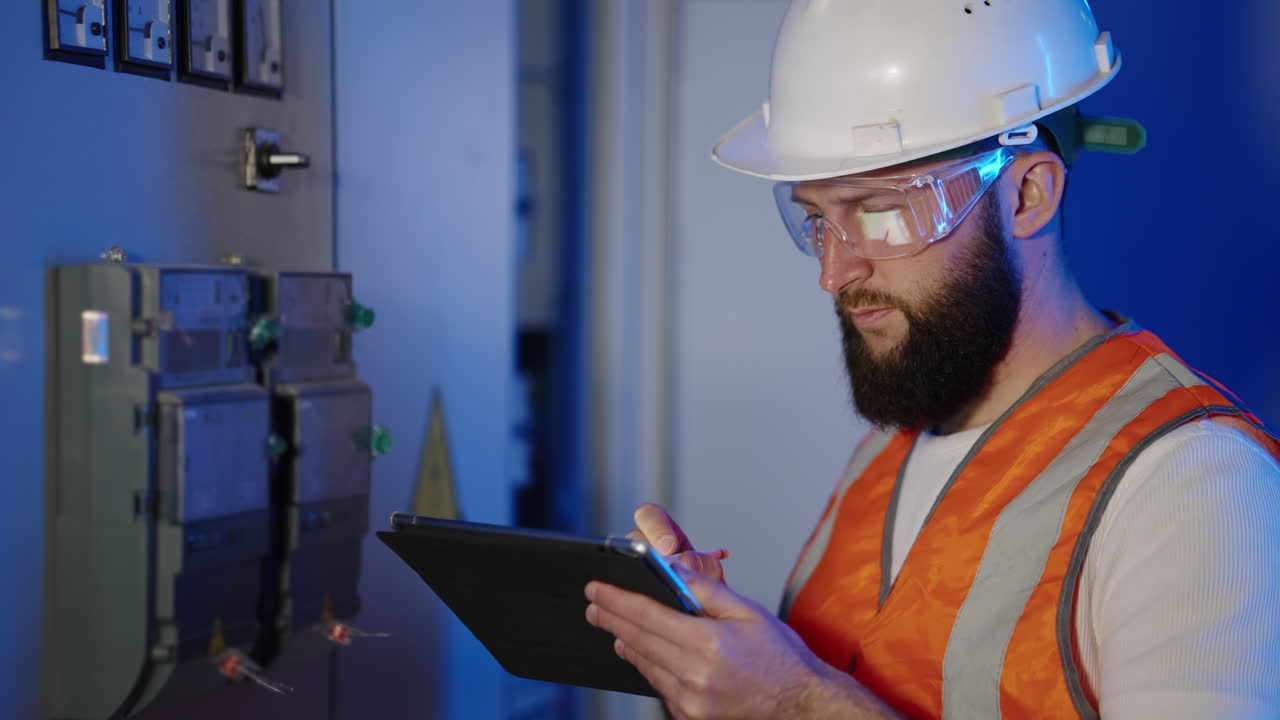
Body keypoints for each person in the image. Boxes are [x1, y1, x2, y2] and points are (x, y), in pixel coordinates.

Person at [583, 2, 1280, 719]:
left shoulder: (1194, 484)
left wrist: (796, 707)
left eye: (881, 213)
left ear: (1026, 196)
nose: (835, 271)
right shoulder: (893, 447)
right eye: (816, 219)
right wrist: (713, 663)